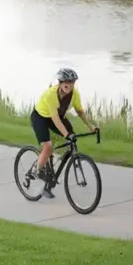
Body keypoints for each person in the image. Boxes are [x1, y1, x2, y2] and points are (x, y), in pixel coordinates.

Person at [31, 68, 97, 198]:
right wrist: (66, 134)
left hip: (56, 117)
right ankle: (37, 171)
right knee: (48, 146)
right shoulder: (51, 94)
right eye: (66, 82)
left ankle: (56, 166)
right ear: (60, 82)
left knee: (72, 138)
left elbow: (80, 111)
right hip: (41, 117)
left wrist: (91, 126)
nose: (69, 85)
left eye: (72, 82)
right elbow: (55, 119)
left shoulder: (74, 94)